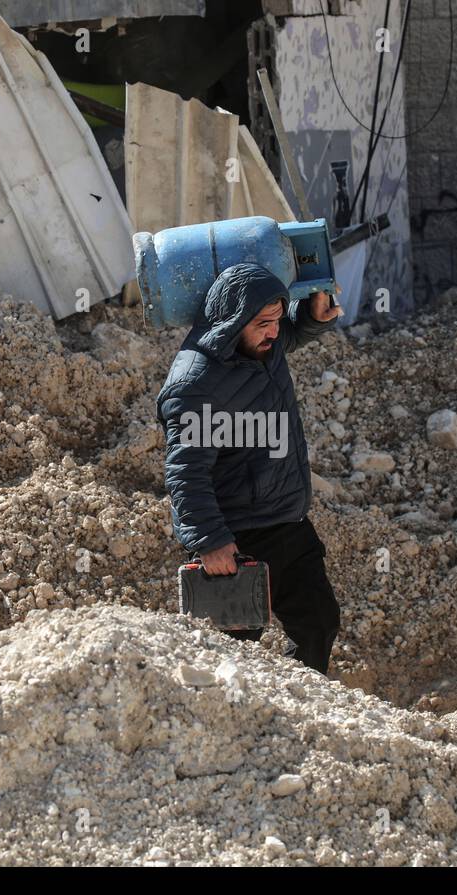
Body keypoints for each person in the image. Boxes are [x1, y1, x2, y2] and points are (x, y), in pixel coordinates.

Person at [156, 262, 342, 674]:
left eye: (276, 320)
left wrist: (310, 317)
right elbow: (186, 472)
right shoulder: (194, 383)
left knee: (319, 624)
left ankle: (306, 715)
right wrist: (209, 540)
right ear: (233, 322)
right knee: (228, 657)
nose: (273, 332)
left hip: (287, 522)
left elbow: (287, 332)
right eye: (263, 323)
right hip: (235, 539)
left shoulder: (262, 343)